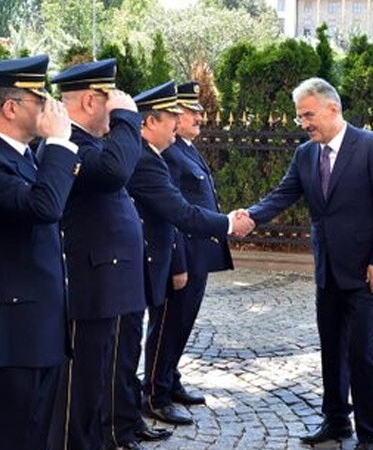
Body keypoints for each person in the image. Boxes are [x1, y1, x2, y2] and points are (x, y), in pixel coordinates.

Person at [233, 77, 373, 450]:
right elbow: (283, 194)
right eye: (299, 118)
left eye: (308, 115)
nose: (304, 123)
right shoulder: (306, 154)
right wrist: (250, 217)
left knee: (362, 353)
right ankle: (337, 421)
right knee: (331, 349)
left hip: (367, 274)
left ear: (333, 108)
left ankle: (370, 434)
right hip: (328, 270)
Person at [0, 55, 78, 450]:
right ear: (11, 107)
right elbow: (44, 207)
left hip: (38, 330)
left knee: (37, 439)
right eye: (39, 99)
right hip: (6, 337)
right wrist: (60, 141)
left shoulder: (22, 158)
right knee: (8, 440)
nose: (49, 108)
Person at [47, 59, 146, 450]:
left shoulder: (88, 143)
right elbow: (115, 171)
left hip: (103, 287)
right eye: (111, 100)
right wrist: (127, 118)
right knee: (76, 396)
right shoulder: (66, 142)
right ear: (91, 100)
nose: (117, 111)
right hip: (86, 289)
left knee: (93, 389)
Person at [147, 81, 234, 414]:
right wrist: (177, 263)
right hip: (181, 256)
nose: (199, 115)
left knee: (182, 323)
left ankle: (170, 377)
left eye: (198, 109)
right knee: (168, 324)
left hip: (198, 255)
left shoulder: (184, 146)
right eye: (190, 110)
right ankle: (155, 393)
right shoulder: (167, 153)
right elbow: (174, 214)